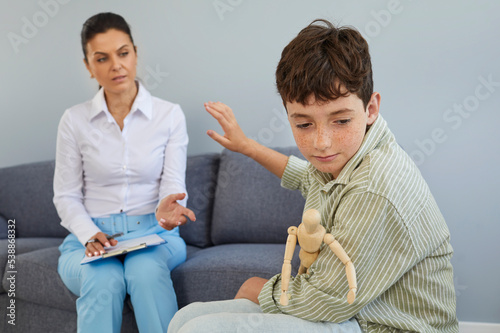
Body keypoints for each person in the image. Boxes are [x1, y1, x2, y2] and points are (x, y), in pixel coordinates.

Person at [168, 19, 458, 332]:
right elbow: (306, 176)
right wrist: (248, 147)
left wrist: (259, 288)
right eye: (304, 125)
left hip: (378, 325)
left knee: (199, 328)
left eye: (341, 121)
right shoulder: (345, 161)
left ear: (371, 108)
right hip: (351, 313)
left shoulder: (375, 187)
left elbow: (327, 300)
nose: (321, 142)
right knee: (186, 318)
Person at [53, 12, 195, 333]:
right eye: (102, 58)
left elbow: (173, 181)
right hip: (91, 240)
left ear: (134, 53)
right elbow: (66, 194)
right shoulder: (73, 121)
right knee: (103, 277)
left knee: (144, 272)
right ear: (89, 67)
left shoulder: (169, 115)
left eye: (123, 53)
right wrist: (88, 233)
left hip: (154, 234)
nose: (116, 65)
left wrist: (166, 209)